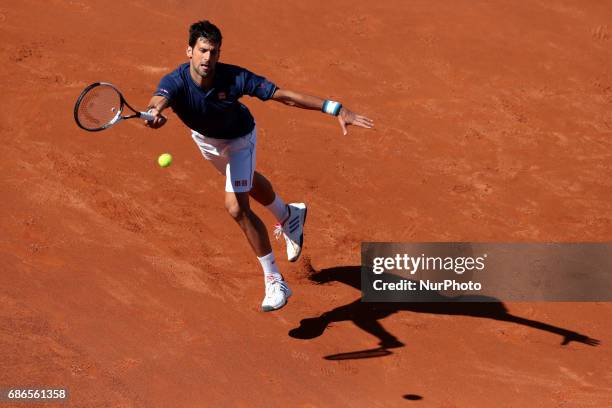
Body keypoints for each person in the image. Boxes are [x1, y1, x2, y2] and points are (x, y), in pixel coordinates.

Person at [145, 20, 374, 312]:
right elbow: (158, 100)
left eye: (213, 52)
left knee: (236, 206)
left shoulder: (235, 77)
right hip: (206, 142)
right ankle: (289, 213)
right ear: (189, 51)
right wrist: (154, 113)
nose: (207, 58)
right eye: (202, 50)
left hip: (240, 140)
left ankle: (274, 280)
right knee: (247, 182)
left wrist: (334, 107)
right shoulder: (174, 81)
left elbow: (283, 96)